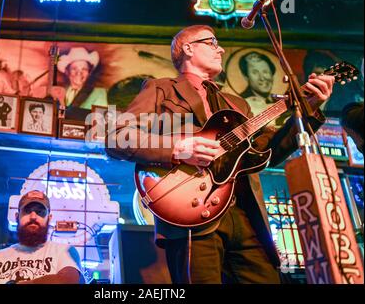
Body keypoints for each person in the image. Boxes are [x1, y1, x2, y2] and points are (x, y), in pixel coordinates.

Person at [105, 25, 334, 284]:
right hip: (191, 211)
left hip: (245, 215)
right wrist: (179, 149)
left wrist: (311, 108)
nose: (221, 49)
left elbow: (267, 151)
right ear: (188, 49)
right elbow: (118, 137)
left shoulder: (238, 105)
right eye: (212, 42)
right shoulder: (161, 89)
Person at [0, 190, 85, 284]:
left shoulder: (64, 251)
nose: (33, 216)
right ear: (17, 216)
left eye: (40, 212)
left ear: (49, 218)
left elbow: (67, 281)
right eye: (27, 211)